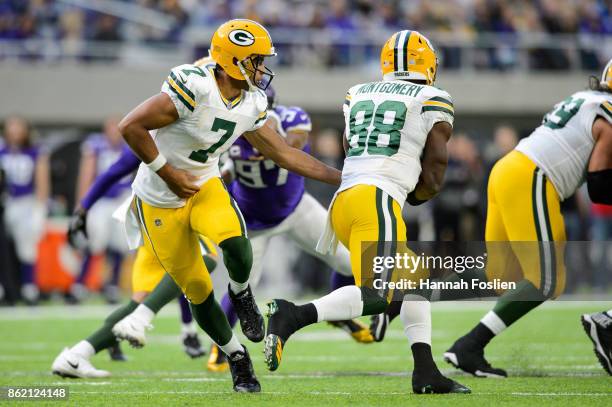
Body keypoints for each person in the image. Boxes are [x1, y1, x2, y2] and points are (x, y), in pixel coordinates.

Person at [107, 19, 340, 393]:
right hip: (158, 199)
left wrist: (342, 178)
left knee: (235, 242)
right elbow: (130, 126)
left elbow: (282, 152)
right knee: (197, 291)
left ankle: (241, 292)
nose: (263, 69)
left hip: (203, 186)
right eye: (257, 61)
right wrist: (167, 173)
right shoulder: (194, 85)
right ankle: (236, 357)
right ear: (235, 61)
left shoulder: (251, 101)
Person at [264, 30, 470, 394]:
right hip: (377, 200)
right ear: (428, 64)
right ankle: (292, 315)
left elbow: (349, 147)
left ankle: (426, 372)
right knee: (377, 295)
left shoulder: (358, 92)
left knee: (414, 282)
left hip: (346, 200)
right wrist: (416, 194)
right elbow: (436, 167)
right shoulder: (433, 96)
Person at [443, 59, 612, 378]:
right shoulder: (608, 115)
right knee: (545, 281)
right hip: (533, 178)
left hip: (509, 170)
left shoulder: (586, 100)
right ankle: (469, 345)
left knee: (502, 277)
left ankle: (408, 297)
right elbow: (601, 186)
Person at [206, 85, 372, 372]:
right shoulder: (228, 133)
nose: (258, 118)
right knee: (241, 287)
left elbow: (294, 144)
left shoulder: (291, 119)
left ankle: (338, 314)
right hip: (253, 222)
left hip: (297, 209)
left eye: (263, 113)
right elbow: (220, 172)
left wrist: (270, 145)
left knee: (348, 262)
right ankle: (220, 346)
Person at [52, 137, 217, 379]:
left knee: (143, 298)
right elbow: (115, 171)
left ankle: (76, 355)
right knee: (204, 259)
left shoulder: (199, 127)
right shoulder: (163, 134)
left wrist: (84, 207)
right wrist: (83, 207)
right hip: (164, 214)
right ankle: (156, 324)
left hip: (157, 215)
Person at [70, 116, 131, 304]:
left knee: (119, 244)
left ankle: (112, 286)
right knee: (95, 242)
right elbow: (87, 175)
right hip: (101, 201)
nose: (114, 131)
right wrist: (81, 203)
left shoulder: (131, 145)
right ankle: (80, 285)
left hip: (122, 199)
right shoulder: (96, 146)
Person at [0, 116, 49, 305]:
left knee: (26, 247)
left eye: (18, 126)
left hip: (26, 203)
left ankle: (29, 287)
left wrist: (40, 207)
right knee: (4, 249)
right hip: (5, 205)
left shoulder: (35, 151)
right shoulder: (2, 149)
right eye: (11, 126)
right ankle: (7, 288)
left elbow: (42, 180)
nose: (14, 131)